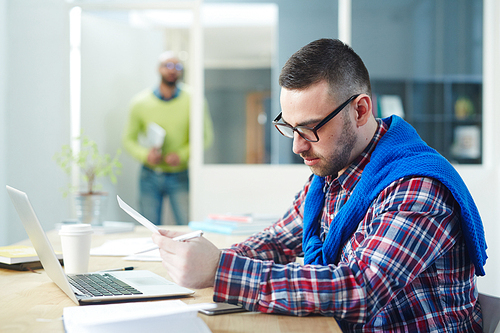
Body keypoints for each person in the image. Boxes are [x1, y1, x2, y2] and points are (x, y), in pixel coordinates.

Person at [151, 39, 487, 332]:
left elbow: (360, 289)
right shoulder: (333, 174)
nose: (297, 146)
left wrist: (220, 270)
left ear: (359, 110)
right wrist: (202, 260)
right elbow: (278, 241)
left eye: (311, 129)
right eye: (289, 127)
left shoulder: (416, 188)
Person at [123, 51, 213, 225]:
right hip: (149, 175)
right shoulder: (139, 102)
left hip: (180, 174)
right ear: (159, 69)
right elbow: (128, 140)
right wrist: (145, 155)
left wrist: (182, 155)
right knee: (148, 228)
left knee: (187, 225)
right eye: (167, 65)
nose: (172, 70)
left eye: (177, 66)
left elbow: (206, 137)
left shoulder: (194, 100)